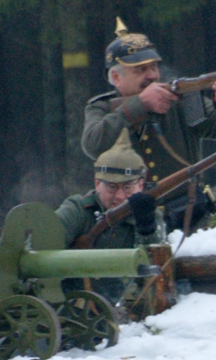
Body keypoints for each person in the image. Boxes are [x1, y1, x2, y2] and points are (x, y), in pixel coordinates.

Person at [81, 18, 216, 230]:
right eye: (140, 70)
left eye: (153, 67)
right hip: (133, 222)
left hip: (189, 216)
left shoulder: (180, 99)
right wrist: (139, 105)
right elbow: (93, 145)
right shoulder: (103, 108)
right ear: (116, 77)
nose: (151, 75)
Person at [56, 130, 164, 306]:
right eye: (112, 187)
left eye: (128, 187)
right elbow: (39, 249)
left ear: (141, 184)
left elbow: (156, 270)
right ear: (97, 183)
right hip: (70, 313)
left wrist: (147, 229)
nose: (120, 196)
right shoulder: (77, 211)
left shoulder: (150, 216)